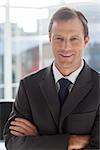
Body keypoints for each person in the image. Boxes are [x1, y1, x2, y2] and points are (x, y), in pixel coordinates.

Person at [4, 6, 100, 150]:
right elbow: (12, 143)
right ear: (50, 39)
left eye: (73, 39)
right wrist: (70, 141)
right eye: (59, 38)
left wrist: (39, 140)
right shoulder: (29, 86)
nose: (65, 46)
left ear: (86, 41)